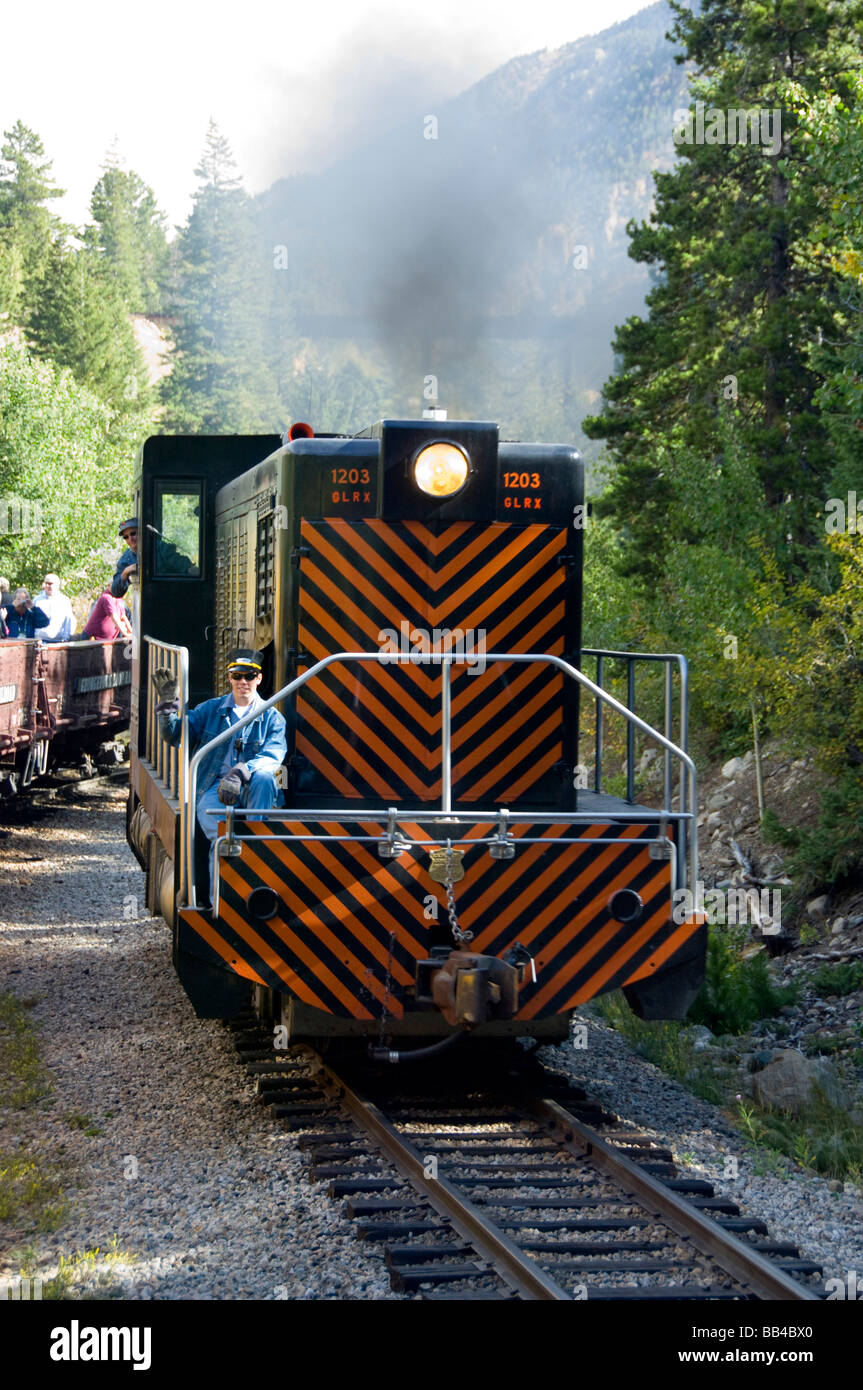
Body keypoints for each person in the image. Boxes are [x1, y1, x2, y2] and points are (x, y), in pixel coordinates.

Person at [152, 648, 286, 905]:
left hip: (251, 787)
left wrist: (240, 771)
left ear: (259, 678)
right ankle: (220, 903)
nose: (243, 682)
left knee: (265, 778)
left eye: (249, 675)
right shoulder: (209, 711)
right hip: (214, 788)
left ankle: (254, 842)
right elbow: (174, 735)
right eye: (237, 675)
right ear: (229, 678)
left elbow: (273, 756)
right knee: (224, 838)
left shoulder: (272, 717)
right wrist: (168, 704)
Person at [33, 573, 76, 642]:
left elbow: (69, 621)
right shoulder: (37, 600)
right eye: (46, 583)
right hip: (39, 640)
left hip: (57, 640)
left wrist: (66, 638)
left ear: (57, 585)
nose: (47, 586)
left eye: (50, 584)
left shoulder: (64, 600)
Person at [111, 518, 138, 598]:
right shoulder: (125, 559)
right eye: (126, 537)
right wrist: (125, 573)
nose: (130, 539)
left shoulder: (159, 548)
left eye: (133, 533)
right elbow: (115, 592)